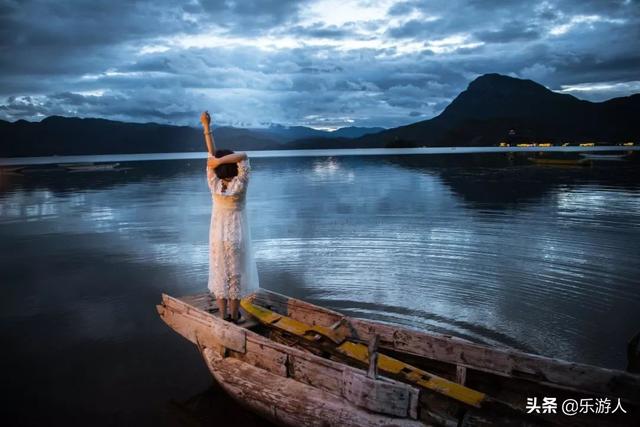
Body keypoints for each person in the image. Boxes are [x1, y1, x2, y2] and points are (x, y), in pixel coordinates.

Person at [200, 111, 259, 323]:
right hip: (237, 236)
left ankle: (223, 315)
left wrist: (206, 126)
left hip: (217, 235)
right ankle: (235, 316)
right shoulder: (240, 185)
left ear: (216, 169)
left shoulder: (214, 185)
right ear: (234, 167)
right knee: (235, 275)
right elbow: (243, 156)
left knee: (219, 272)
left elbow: (211, 155)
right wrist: (220, 160)